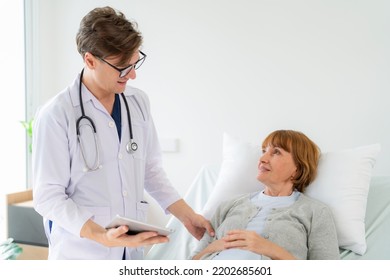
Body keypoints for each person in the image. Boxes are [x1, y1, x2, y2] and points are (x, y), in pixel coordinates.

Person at [32, 6, 214, 260]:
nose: (133, 74)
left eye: (134, 62)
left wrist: (187, 215)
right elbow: (47, 197)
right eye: (122, 67)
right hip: (82, 255)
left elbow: (150, 171)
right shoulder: (57, 114)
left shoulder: (137, 102)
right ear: (90, 60)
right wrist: (100, 236)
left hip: (131, 255)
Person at [191, 130, 340, 260]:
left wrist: (271, 250)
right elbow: (191, 263)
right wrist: (213, 247)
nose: (262, 159)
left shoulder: (316, 212)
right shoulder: (229, 206)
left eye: (276, 152)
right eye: (264, 151)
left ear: (298, 169)